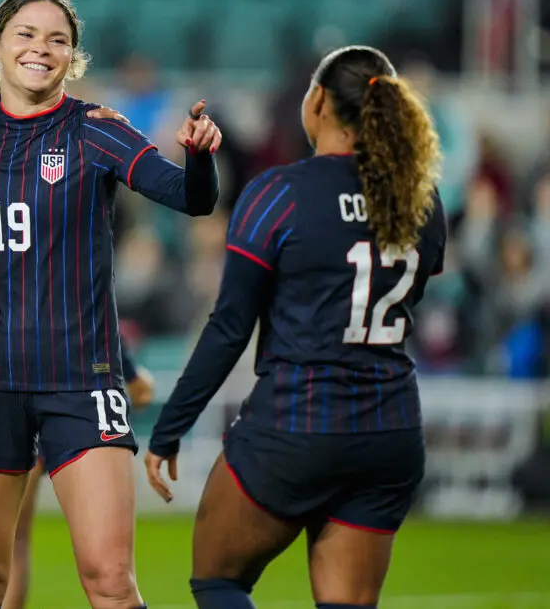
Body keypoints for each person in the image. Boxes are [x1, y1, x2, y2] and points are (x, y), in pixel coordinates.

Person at [0, 0, 222, 609]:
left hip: (81, 382)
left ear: (73, 56)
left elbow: (192, 198)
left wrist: (198, 157)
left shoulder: (96, 131)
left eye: (57, 39)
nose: (41, 48)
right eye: (27, 35)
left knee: (110, 582)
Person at [144, 45, 446, 609]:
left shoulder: (278, 193)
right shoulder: (420, 200)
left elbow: (230, 327)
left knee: (218, 579)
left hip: (296, 424)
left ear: (320, 102)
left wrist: (170, 428)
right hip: (390, 431)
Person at [0, 57, 156, 609]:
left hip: (39, 368)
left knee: (7, 546)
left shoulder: (55, 169)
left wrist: (119, 363)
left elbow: (74, 281)